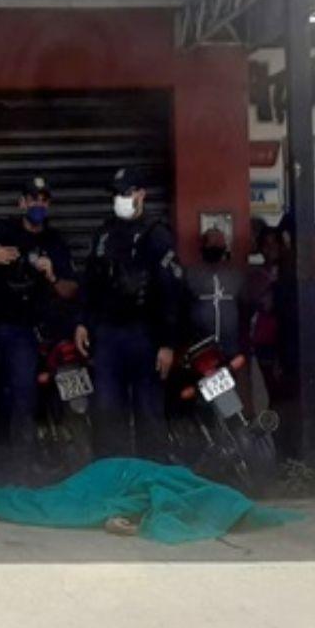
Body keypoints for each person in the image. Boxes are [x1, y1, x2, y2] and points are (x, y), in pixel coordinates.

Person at [0, 176, 78, 479]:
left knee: (23, 405)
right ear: (22, 203)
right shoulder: (3, 230)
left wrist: (52, 275)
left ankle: (20, 476)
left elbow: (71, 290)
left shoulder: (54, 242)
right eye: (33, 199)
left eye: (44, 200)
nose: (38, 205)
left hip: (25, 334)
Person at [76, 168, 184, 461]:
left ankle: (151, 483)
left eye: (126, 192)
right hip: (108, 335)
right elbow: (89, 283)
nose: (121, 199)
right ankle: (112, 484)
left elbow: (170, 292)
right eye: (116, 194)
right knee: (107, 412)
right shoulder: (104, 234)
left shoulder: (157, 235)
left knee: (149, 413)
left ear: (141, 194)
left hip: (144, 334)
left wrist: (167, 343)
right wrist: (83, 323)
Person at [185, 227, 245, 359]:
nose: (215, 246)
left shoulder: (235, 274)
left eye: (219, 244)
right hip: (201, 346)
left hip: (231, 345)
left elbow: (244, 304)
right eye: (212, 244)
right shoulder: (191, 273)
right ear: (203, 246)